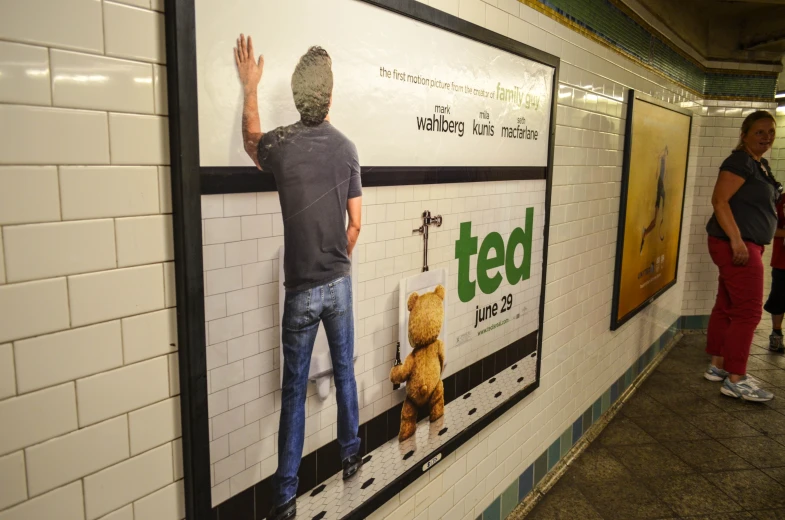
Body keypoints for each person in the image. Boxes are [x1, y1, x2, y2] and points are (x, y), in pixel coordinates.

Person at [235, 35, 363, 520]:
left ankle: (285, 497)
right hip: (339, 284)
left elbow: (251, 141)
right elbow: (356, 224)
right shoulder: (348, 149)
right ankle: (351, 455)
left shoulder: (282, 146)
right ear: (328, 95)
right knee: (346, 371)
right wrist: (337, 260)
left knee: (293, 391)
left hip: (301, 292)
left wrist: (250, 87)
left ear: (296, 94)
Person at [704, 110, 778, 402]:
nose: (766, 137)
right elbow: (719, 201)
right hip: (738, 245)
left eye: (770, 132)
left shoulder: (760, 165)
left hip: (745, 244)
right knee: (748, 313)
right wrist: (737, 241)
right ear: (744, 133)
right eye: (759, 132)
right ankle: (736, 378)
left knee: (726, 305)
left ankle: (718, 365)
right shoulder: (739, 161)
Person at [764, 195, 785, 353]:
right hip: (782, 262)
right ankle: (776, 334)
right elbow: (771, 229)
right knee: (778, 299)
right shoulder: (781, 201)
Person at [640, 146, 668, 253]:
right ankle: (645, 233)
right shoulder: (660, 164)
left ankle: (645, 233)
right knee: (655, 221)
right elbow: (659, 174)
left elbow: (661, 174)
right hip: (659, 193)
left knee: (656, 221)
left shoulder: (662, 165)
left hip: (660, 193)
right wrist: (661, 155)